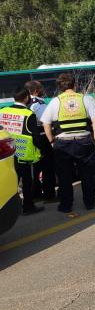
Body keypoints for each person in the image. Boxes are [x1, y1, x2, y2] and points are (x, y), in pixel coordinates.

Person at [41, 73, 95, 213]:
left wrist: (51, 141)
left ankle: (66, 205)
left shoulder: (56, 101)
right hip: (84, 141)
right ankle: (89, 202)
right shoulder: (84, 98)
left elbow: (46, 123)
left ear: (60, 87)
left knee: (64, 176)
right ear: (75, 85)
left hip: (63, 143)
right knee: (87, 174)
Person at [0, 87, 46, 215]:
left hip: (8, 153)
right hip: (24, 155)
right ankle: (28, 207)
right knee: (27, 183)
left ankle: (9, 210)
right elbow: (36, 137)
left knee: (11, 182)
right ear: (27, 98)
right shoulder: (28, 114)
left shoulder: (3, 111)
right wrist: (41, 150)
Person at [25, 80, 57, 202]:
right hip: (42, 138)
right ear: (37, 90)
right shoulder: (39, 104)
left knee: (35, 168)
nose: (43, 90)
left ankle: (36, 193)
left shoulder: (25, 102)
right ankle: (49, 195)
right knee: (48, 167)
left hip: (29, 140)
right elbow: (47, 121)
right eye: (41, 88)